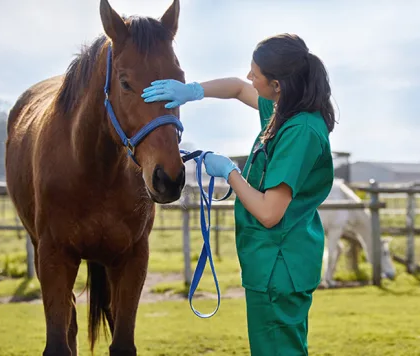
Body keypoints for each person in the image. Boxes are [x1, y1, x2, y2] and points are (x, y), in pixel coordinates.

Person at [141, 33, 336, 355]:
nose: (249, 77)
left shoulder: (299, 131)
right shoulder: (285, 111)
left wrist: (230, 173)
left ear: (277, 85)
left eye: (255, 74)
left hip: (278, 262)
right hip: (274, 261)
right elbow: (235, 88)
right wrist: (193, 92)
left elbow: (269, 212)